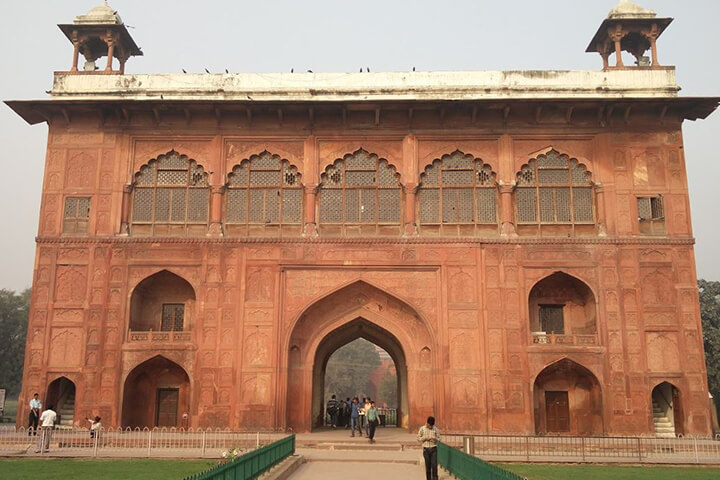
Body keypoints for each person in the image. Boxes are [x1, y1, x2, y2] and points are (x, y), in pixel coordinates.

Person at [418, 416, 440, 480]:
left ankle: (435, 478)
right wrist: (424, 438)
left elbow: (439, 438)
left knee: (434, 465)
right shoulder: (422, 429)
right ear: (427, 423)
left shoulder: (435, 429)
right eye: (429, 426)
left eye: (431, 426)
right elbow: (418, 438)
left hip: (434, 449)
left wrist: (435, 439)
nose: (430, 427)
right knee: (428, 466)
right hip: (426, 449)